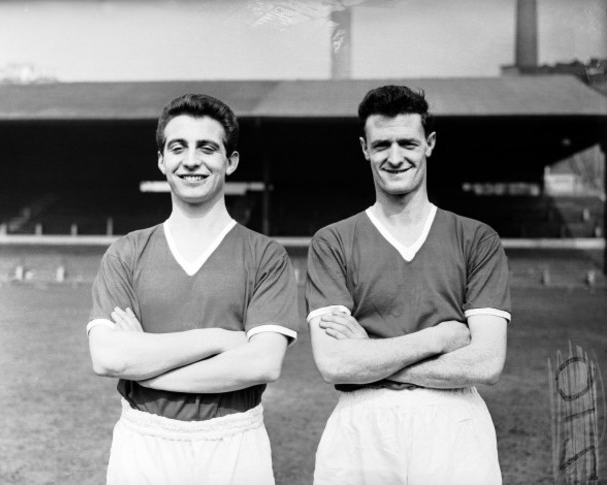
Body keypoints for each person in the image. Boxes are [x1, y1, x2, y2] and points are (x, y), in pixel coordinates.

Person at [87, 93, 299, 485]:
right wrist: (218, 339)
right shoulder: (127, 252)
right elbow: (108, 358)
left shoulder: (266, 255)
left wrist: (146, 369)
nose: (191, 161)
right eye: (177, 147)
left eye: (207, 148)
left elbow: (261, 364)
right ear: (161, 160)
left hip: (234, 444)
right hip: (144, 444)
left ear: (230, 161)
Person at [305, 85, 511, 485]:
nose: (395, 157)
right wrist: (439, 337)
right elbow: (334, 364)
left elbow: (486, 363)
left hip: (453, 423)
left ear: (429, 144)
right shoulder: (332, 241)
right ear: (365, 148)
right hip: (361, 427)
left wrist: (369, 356)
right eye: (382, 144)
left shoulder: (476, 239)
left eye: (407, 143)